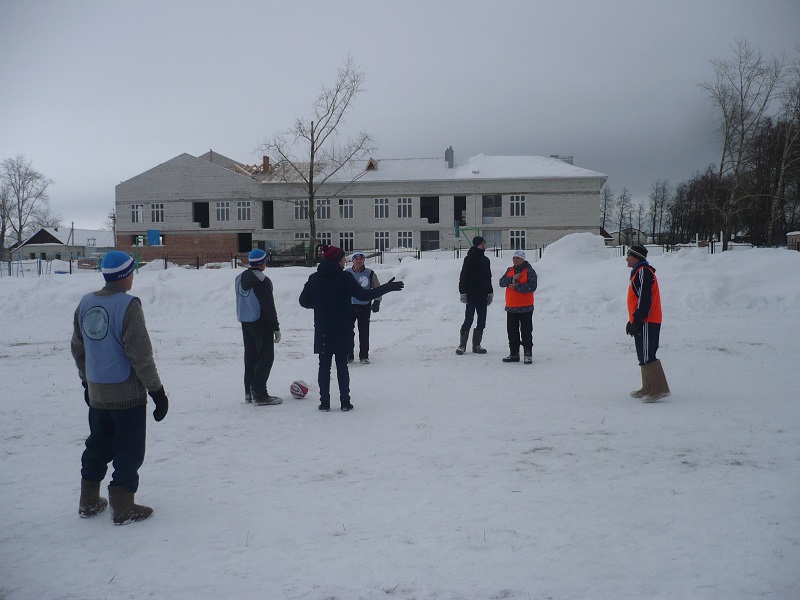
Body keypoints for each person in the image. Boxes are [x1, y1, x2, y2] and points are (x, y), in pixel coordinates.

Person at [71, 250, 169, 525]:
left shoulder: (86, 303)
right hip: (127, 396)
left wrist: (85, 380)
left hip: (98, 393)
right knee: (129, 449)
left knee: (98, 444)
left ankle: (88, 500)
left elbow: (78, 349)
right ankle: (123, 505)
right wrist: (157, 392)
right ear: (126, 276)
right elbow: (140, 355)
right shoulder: (128, 306)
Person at [299, 245, 404, 412]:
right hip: (342, 327)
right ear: (337, 260)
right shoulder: (344, 278)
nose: (345, 261)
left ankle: (324, 403)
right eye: (343, 258)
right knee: (342, 365)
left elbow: (303, 301)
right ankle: (345, 402)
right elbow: (363, 295)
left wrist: (320, 306)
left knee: (324, 365)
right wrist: (387, 287)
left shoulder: (314, 278)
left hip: (323, 328)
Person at [235, 248, 282, 406]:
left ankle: (249, 392)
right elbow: (269, 306)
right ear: (263, 262)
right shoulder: (263, 280)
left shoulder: (240, 277)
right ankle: (260, 393)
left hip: (245, 321)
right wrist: (275, 327)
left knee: (250, 356)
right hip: (260, 322)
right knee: (266, 356)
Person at [625, 244, 671, 402]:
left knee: (647, 354)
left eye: (629, 255)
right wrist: (632, 320)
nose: (626, 258)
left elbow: (645, 300)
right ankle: (648, 387)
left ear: (636, 257)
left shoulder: (643, 272)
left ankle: (659, 389)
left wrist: (637, 319)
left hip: (647, 320)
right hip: (641, 319)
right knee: (642, 354)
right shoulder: (638, 272)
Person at [498, 250, 538, 364]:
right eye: (514, 258)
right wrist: (513, 278)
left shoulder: (529, 271)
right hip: (511, 307)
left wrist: (517, 287)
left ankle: (528, 354)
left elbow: (532, 287)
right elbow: (501, 283)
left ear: (523, 259)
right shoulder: (510, 270)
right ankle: (514, 353)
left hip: (526, 307)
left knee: (526, 331)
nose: (515, 260)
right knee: (512, 332)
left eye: (518, 258)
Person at [456, 235, 493, 354]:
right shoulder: (469, 259)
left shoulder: (486, 260)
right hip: (471, 295)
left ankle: (477, 345)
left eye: (484, 243)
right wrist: (462, 292)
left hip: (483, 295)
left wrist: (490, 292)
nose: (484, 245)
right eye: (482, 243)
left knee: (482, 320)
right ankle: (462, 345)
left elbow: (488, 278)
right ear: (476, 245)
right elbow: (463, 277)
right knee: (469, 319)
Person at [346, 251, 381, 364]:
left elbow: (377, 288)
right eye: (356, 258)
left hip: (364, 306)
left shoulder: (370, 273)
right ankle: (348, 355)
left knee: (364, 332)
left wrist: (377, 301)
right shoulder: (347, 273)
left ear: (364, 260)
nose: (358, 260)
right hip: (349, 306)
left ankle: (364, 356)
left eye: (361, 258)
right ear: (352, 260)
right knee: (347, 332)